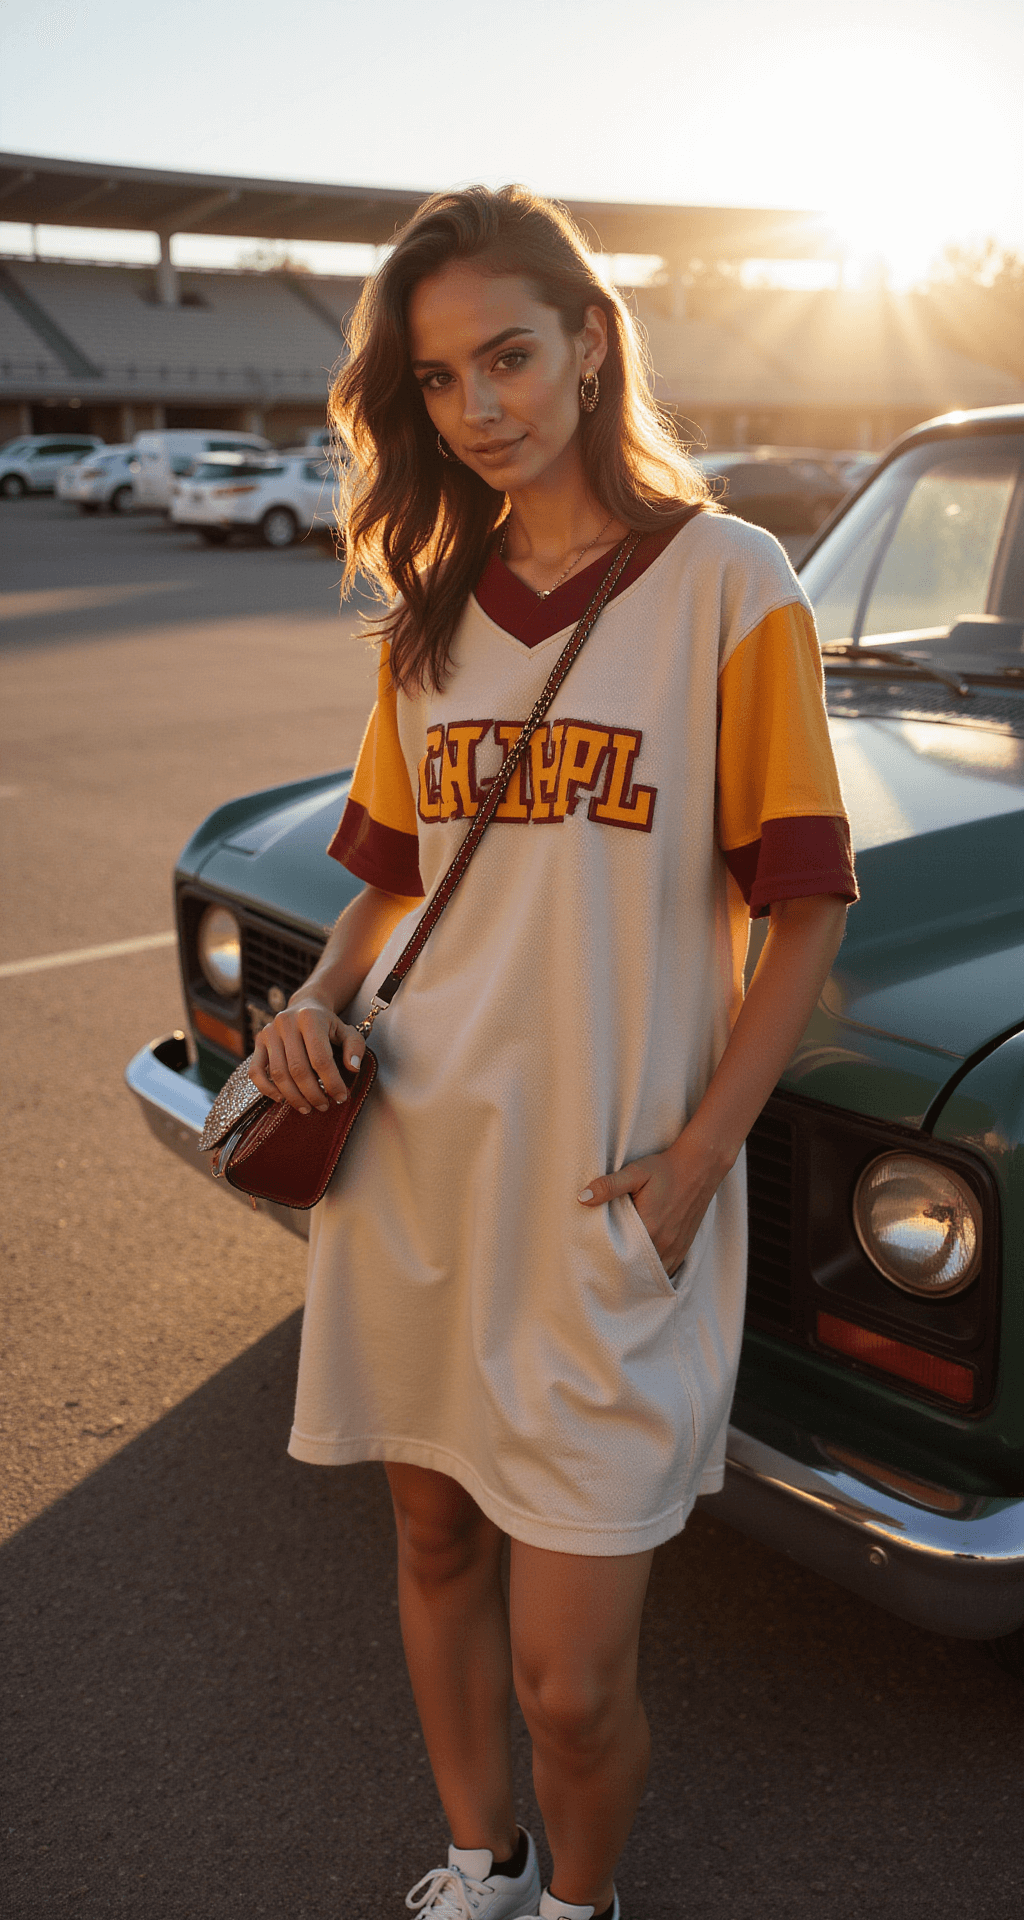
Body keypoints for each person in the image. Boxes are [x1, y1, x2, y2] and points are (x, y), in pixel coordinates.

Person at [250, 186, 858, 1920]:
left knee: (575, 1680)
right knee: (435, 1541)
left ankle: (580, 1905)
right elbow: (382, 888)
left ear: (592, 345)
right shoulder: (430, 612)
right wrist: (312, 1003)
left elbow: (805, 908)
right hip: (419, 1172)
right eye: (439, 382)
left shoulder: (732, 583)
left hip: (611, 1195)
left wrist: (695, 1166)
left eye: (509, 355)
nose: (482, 407)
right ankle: (482, 1864)